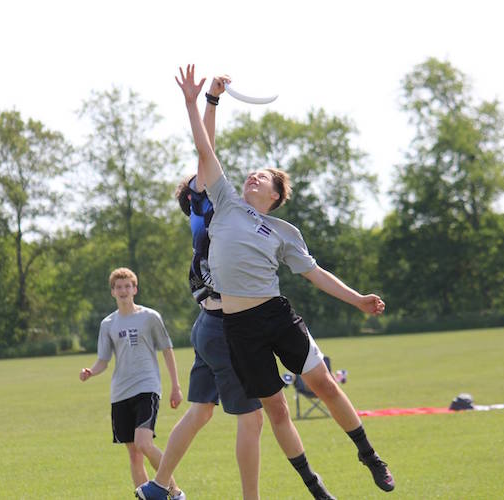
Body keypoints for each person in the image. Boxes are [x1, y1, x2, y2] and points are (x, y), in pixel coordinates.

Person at [174, 64, 396, 494]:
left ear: (274, 196)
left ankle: (370, 455)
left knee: (324, 384)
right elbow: (205, 151)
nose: (252, 176)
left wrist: (358, 300)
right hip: (238, 327)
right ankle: (314, 486)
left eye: (263, 176)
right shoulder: (225, 203)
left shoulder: (284, 232)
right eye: (250, 173)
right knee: (276, 409)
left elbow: (315, 274)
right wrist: (202, 101)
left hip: (276, 316)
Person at [136, 75, 265, 500]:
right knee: (253, 418)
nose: (203, 175)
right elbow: (203, 147)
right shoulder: (206, 202)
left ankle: (157, 487)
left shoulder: (209, 212)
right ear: (194, 193)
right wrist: (209, 101)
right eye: (197, 180)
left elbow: (205, 153)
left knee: (200, 412)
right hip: (224, 325)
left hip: (206, 323)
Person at [80, 267, 186, 500]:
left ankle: (175, 492)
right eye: (119, 287)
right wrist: (91, 371)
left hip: (147, 388)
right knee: (134, 454)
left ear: (135, 289)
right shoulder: (108, 324)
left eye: (128, 286)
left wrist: (175, 386)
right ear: (113, 292)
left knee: (144, 443)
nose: (123, 291)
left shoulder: (150, 317)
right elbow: (103, 361)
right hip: (120, 393)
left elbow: (167, 350)